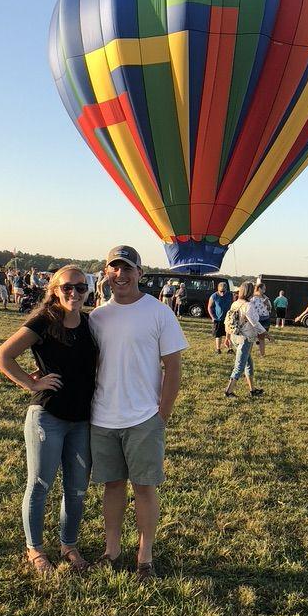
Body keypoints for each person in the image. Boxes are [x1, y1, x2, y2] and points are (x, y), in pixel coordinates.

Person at [87, 246, 187, 580]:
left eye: (128, 269)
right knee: (112, 486)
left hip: (144, 418)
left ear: (140, 274)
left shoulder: (159, 313)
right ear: (106, 274)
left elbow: (172, 367)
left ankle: (144, 558)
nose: (121, 275)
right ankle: (112, 550)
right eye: (114, 269)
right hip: (102, 417)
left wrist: (163, 414)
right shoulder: (98, 316)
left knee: (144, 487)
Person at [0, 266, 98, 576]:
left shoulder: (91, 323)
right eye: (67, 287)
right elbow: (3, 356)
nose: (74, 293)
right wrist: (32, 383)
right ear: (54, 289)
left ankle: (69, 545)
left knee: (77, 488)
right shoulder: (44, 321)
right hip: (48, 416)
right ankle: (35, 549)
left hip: (82, 419)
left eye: (81, 288)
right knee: (40, 484)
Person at [224, 282, 267, 398]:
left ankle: (252, 390)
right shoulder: (248, 305)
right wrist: (266, 334)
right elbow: (255, 322)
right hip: (245, 338)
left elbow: (228, 321)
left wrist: (227, 337)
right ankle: (228, 391)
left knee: (249, 364)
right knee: (240, 366)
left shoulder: (235, 303)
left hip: (235, 336)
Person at [206, 281, 233, 354]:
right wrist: (213, 317)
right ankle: (218, 349)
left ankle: (230, 349)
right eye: (221, 291)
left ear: (226, 290)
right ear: (218, 289)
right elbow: (209, 307)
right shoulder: (214, 296)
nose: (222, 293)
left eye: (224, 291)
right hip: (218, 319)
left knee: (230, 334)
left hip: (228, 319)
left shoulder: (230, 295)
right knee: (218, 335)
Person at [249, 284, 271, 357]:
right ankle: (248, 354)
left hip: (265, 318)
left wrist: (267, 304)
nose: (265, 290)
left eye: (265, 289)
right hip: (256, 319)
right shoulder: (253, 298)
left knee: (262, 337)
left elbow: (269, 309)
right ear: (259, 288)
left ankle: (262, 354)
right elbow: (250, 309)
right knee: (252, 337)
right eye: (263, 289)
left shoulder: (266, 298)